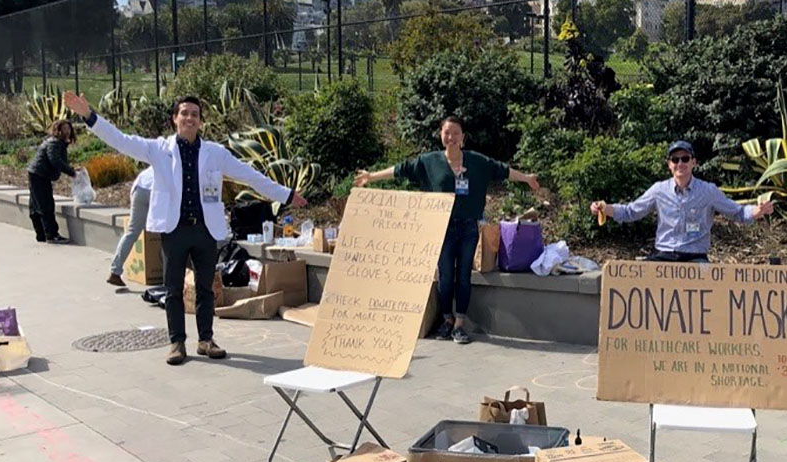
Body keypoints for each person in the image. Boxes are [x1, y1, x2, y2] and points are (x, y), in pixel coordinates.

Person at [63, 91, 308, 366]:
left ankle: (206, 340)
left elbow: (249, 176)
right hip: (174, 229)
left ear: (200, 122)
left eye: (195, 114)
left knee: (205, 288)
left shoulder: (215, 153)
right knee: (173, 289)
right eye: (184, 113)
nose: (189, 118)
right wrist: (89, 116)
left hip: (205, 230)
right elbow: (122, 141)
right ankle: (176, 342)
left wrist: (286, 194)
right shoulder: (158, 149)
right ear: (175, 119)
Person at [354, 116, 541, 345]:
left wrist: (527, 179)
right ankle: (447, 320)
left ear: (463, 137)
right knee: (444, 276)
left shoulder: (476, 161)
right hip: (440, 228)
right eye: (447, 133)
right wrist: (371, 177)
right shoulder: (429, 162)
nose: (451, 137)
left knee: (463, 276)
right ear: (441, 135)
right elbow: (402, 170)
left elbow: (502, 170)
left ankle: (460, 325)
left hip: (468, 227)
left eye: (455, 133)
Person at [590, 140, 775, 262]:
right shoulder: (658, 190)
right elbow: (631, 212)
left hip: (695, 258)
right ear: (669, 164)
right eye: (675, 159)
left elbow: (737, 212)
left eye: (685, 158)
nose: (680, 163)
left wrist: (757, 211)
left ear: (694, 162)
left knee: (709, 293)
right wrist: (605, 208)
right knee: (637, 280)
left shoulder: (708, 191)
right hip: (663, 256)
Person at [26, 119, 80, 244]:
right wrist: (71, 172)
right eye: (64, 129)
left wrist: (71, 169)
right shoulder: (54, 143)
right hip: (40, 175)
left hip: (36, 173)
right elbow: (55, 160)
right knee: (46, 205)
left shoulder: (56, 142)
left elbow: (59, 160)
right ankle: (51, 234)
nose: (67, 131)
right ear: (58, 130)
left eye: (69, 128)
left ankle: (41, 234)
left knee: (36, 205)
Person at [106, 166, 154, 287]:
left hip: (139, 188)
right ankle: (168, 277)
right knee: (167, 232)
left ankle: (115, 271)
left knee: (132, 232)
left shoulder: (162, 153)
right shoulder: (180, 159)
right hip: (155, 191)